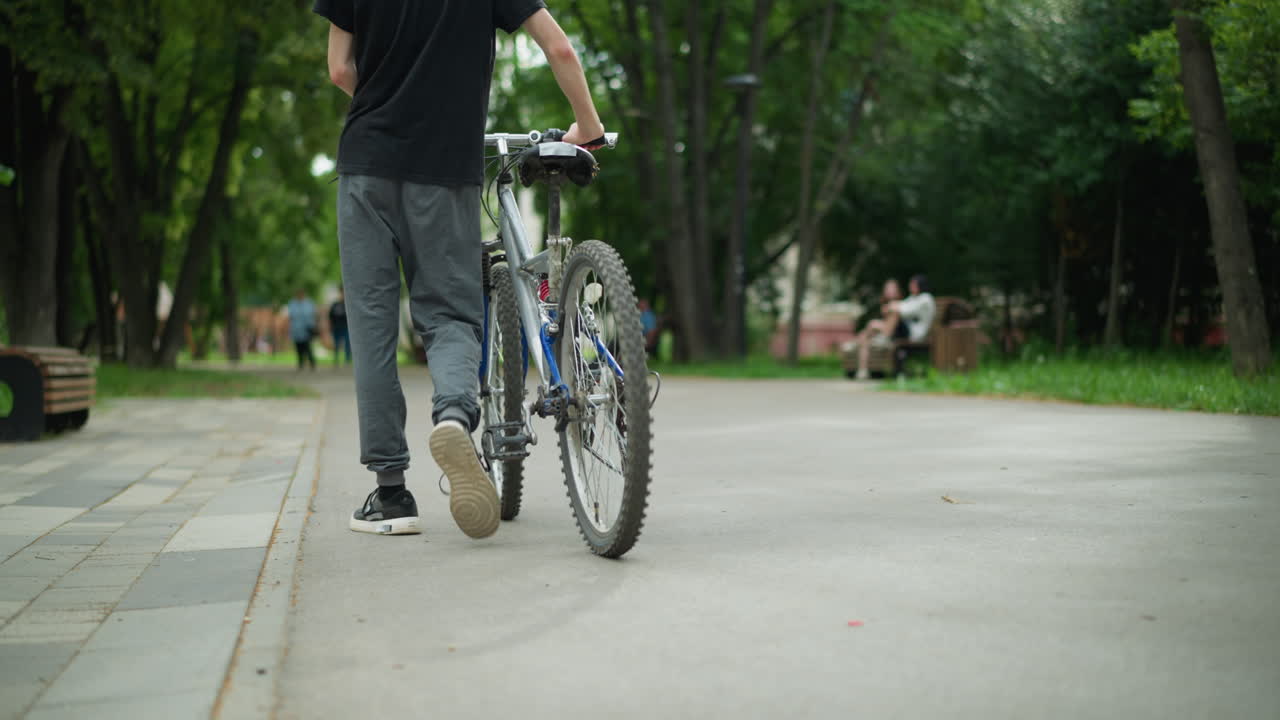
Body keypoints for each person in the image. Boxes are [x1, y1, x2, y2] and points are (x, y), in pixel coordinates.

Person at [313, 0, 606, 538]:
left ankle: (392, 494)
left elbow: (339, 69)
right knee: (450, 313)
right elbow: (559, 46)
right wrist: (586, 126)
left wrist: (389, 108)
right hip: (445, 168)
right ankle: (453, 418)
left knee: (373, 324)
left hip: (367, 167)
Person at [286, 289, 317, 371]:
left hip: (307, 329)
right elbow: (290, 316)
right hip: (296, 329)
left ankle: (312, 363)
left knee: (308, 347)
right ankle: (300, 364)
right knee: (298, 347)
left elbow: (312, 315)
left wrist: (313, 326)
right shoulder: (292, 303)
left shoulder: (309, 303)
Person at [329, 288, 351, 366]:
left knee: (347, 344)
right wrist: (330, 326)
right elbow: (330, 317)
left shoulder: (348, 304)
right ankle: (336, 359)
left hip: (346, 327)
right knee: (336, 344)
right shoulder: (335, 305)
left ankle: (347, 359)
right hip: (336, 328)